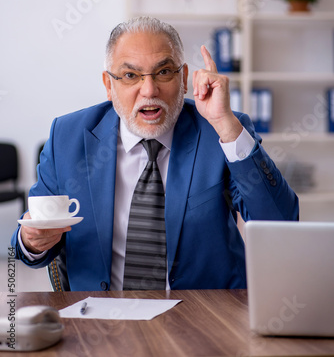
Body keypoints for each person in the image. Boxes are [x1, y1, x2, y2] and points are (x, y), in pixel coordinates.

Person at [12, 16, 299, 291]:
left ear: (183, 77)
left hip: (206, 317)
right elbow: (28, 245)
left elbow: (281, 224)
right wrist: (32, 241)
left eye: (163, 72)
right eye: (129, 75)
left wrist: (227, 127)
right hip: (102, 318)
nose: (149, 90)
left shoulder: (219, 129)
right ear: (108, 85)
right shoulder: (68, 136)